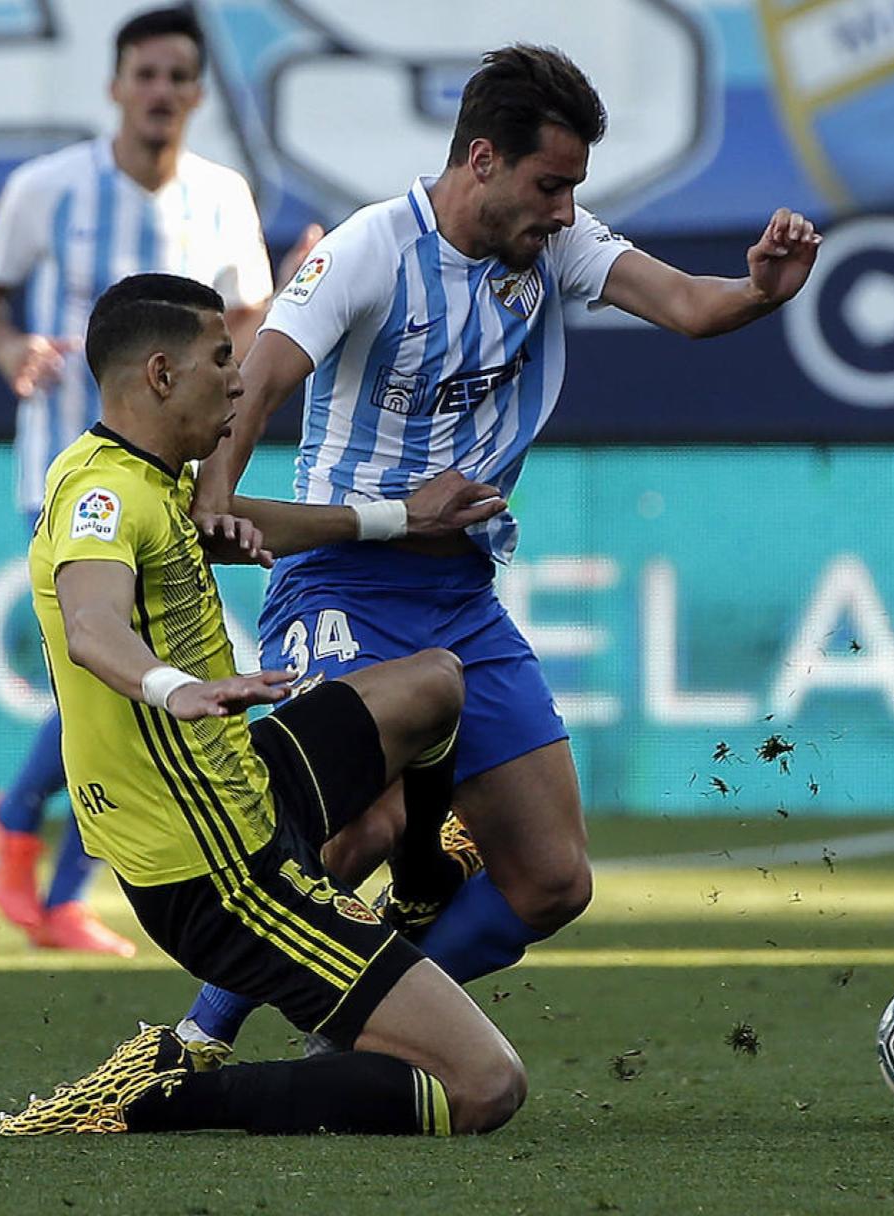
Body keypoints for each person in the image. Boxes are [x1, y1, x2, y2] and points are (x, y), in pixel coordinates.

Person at [172, 44, 821, 1057]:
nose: (565, 211)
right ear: (483, 158)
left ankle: (350, 1032)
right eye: (550, 185)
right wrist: (215, 499)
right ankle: (192, 1040)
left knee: (553, 881)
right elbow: (259, 379)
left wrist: (759, 292)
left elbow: (690, 306)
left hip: (460, 596)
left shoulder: (551, 246)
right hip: (342, 582)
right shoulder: (368, 250)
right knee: (366, 827)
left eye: (574, 191)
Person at [0, 272, 522, 1137]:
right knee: (485, 1085)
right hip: (218, 869)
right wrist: (181, 688)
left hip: (244, 780)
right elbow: (92, 627)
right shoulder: (106, 498)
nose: (239, 382)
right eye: (221, 359)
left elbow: (240, 522)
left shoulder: (140, 473)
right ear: (161, 374)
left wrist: (402, 521)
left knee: (434, 683)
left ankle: (421, 876)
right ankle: (163, 1097)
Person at [0, 4, 314, 955]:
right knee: (116, 665)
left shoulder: (222, 195)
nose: (161, 93)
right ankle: (42, 846)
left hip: (176, 477)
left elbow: (236, 333)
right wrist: (8, 350)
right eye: (145, 75)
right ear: (116, 85)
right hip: (68, 468)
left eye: (178, 78)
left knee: (129, 683)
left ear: (199, 93)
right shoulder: (48, 188)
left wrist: (293, 287)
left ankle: (40, 845)